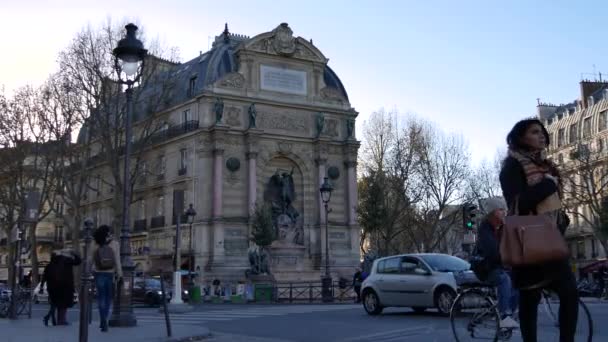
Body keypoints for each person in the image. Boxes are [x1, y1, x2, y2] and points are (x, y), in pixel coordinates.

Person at [500, 118, 578, 342]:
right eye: (535, 132)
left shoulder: (546, 166)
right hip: (527, 242)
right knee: (530, 299)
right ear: (521, 137)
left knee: (569, 293)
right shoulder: (512, 166)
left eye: (542, 131)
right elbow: (518, 204)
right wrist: (549, 184)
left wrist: (562, 220)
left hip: (550, 239)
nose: (541, 135)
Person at [477, 197, 519, 329]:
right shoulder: (485, 228)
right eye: (501, 210)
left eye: (504, 209)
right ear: (492, 212)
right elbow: (493, 251)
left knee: (518, 279)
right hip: (485, 268)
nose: (504, 212)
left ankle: (511, 312)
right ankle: (504, 315)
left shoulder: (502, 226)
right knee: (504, 279)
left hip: (498, 265)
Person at [92, 225, 122, 332]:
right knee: (108, 299)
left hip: (98, 273)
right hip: (110, 274)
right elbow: (117, 260)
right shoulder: (115, 244)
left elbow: (92, 259)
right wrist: (120, 274)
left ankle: (102, 319)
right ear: (108, 233)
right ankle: (104, 319)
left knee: (101, 298)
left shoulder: (95, 243)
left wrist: (91, 271)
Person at [45, 249, 81, 325]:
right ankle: (61, 320)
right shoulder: (66, 260)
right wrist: (74, 254)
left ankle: (56, 319)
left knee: (57, 304)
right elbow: (78, 261)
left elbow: (45, 276)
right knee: (64, 304)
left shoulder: (51, 264)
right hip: (65, 285)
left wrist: (45, 287)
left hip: (53, 286)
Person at [40, 254, 58, 326]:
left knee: (53, 305)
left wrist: (41, 286)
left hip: (50, 287)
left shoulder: (48, 267)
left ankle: (53, 320)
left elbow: (44, 277)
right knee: (54, 304)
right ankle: (47, 318)